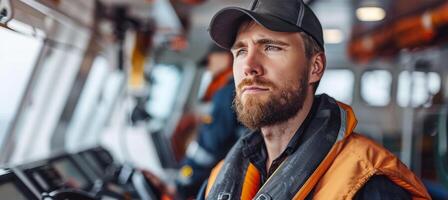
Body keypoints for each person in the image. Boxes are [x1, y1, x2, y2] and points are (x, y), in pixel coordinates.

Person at [197, 0, 431, 199]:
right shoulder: (218, 178)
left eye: (270, 47)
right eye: (240, 51)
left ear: (315, 67)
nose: (249, 66)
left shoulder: (369, 183)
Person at [143, 44, 247, 199]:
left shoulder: (227, 92)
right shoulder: (232, 90)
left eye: (209, 63)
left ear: (224, 58)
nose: (208, 70)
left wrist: (184, 180)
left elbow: (212, 145)